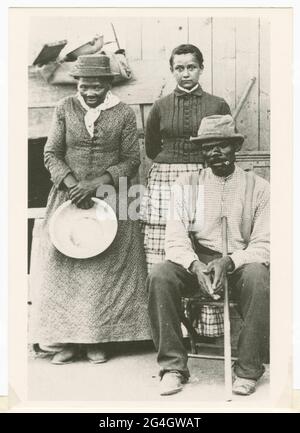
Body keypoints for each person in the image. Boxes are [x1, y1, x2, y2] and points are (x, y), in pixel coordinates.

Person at [30, 54, 150, 364]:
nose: (90, 92)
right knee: (65, 264)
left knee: (103, 267)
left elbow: (131, 160)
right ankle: (68, 341)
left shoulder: (122, 113)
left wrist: (94, 184)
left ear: (108, 84)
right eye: (84, 86)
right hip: (69, 196)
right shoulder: (65, 108)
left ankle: (98, 340)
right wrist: (72, 184)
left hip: (110, 196)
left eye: (96, 86)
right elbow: (51, 154)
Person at [147, 114, 270, 396]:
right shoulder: (186, 184)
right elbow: (175, 238)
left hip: (239, 263)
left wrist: (230, 261)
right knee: (160, 274)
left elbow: (265, 244)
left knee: (258, 276)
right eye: (207, 147)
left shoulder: (260, 188)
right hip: (198, 262)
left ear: (235, 147)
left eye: (221, 145)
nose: (214, 152)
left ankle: (248, 369)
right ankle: (173, 367)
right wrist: (194, 265)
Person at [140, 44, 231, 338]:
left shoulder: (217, 104)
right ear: (172, 71)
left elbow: (225, 144)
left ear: (201, 68)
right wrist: (175, 166)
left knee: (205, 244)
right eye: (179, 68)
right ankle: (171, 328)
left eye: (191, 67)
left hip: (206, 176)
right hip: (166, 178)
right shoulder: (160, 106)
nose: (185, 73)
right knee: (164, 250)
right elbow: (152, 148)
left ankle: (207, 328)